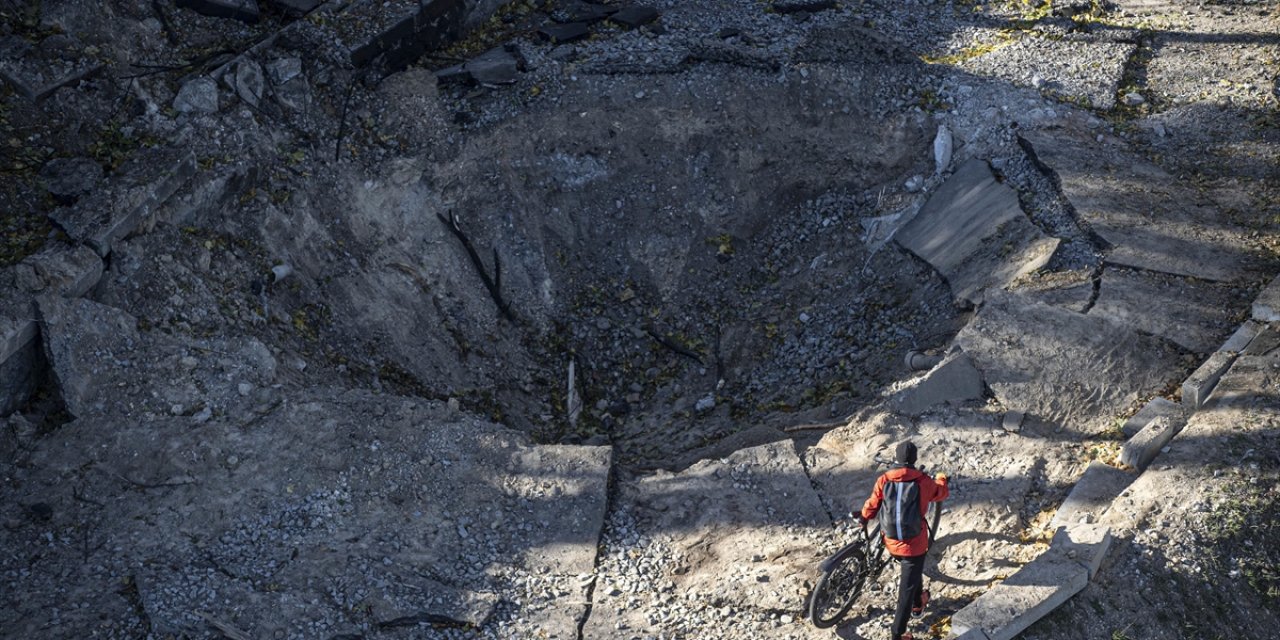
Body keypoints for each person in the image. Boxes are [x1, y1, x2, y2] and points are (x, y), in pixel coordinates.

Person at [859, 441, 949, 640]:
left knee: (913, 573)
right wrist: (942, 479)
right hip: (914, 544)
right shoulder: (923, 481)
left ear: (897, 459)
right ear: (915, 460)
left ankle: (919, 602)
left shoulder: (884, 479)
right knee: (905, 591)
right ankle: (897, 634)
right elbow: (941, 493)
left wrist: (864, 518)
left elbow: (873, 503)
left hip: (890, 540)